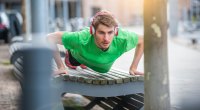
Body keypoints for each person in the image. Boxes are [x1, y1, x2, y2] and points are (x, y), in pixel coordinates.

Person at [47, 10, 144, 76]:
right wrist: (61, 67)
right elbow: (50, 38)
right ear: (92, 31)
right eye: (101, 32)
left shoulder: (123, 38)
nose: (106, 38)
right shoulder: (81, 38)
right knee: (73, 61)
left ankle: (85, 61)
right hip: (77, 57)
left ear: (116, 31)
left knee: (102, 68)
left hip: (101, 67)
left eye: (110, 32)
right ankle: (71, 52)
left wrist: (134, 67)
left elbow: (143, 40)